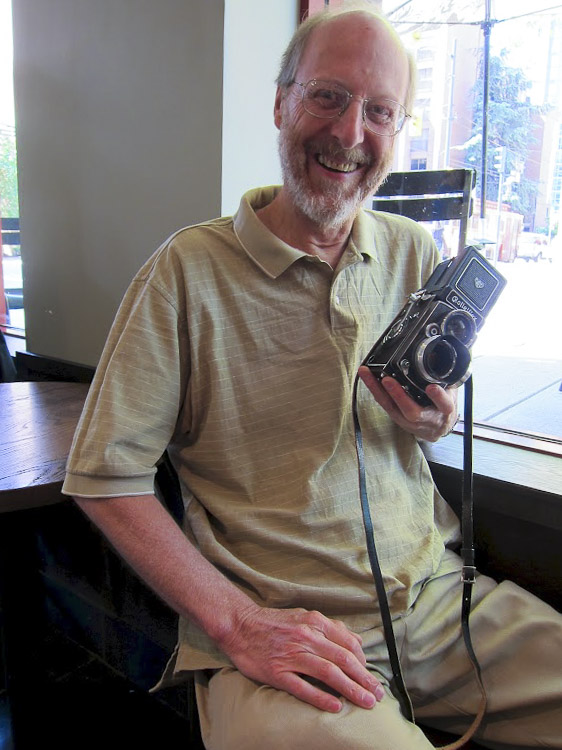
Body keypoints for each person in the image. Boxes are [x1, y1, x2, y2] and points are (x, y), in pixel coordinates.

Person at [62, 4, 561, 749]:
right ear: (281, 103)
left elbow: (424, 420)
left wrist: (436, 421)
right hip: (282, 633)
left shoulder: (415, 252)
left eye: (380, 111)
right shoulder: (184, 273)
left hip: (435, 599)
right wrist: (239, 624)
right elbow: (104, 479)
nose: (351, 133)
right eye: (328, 96)